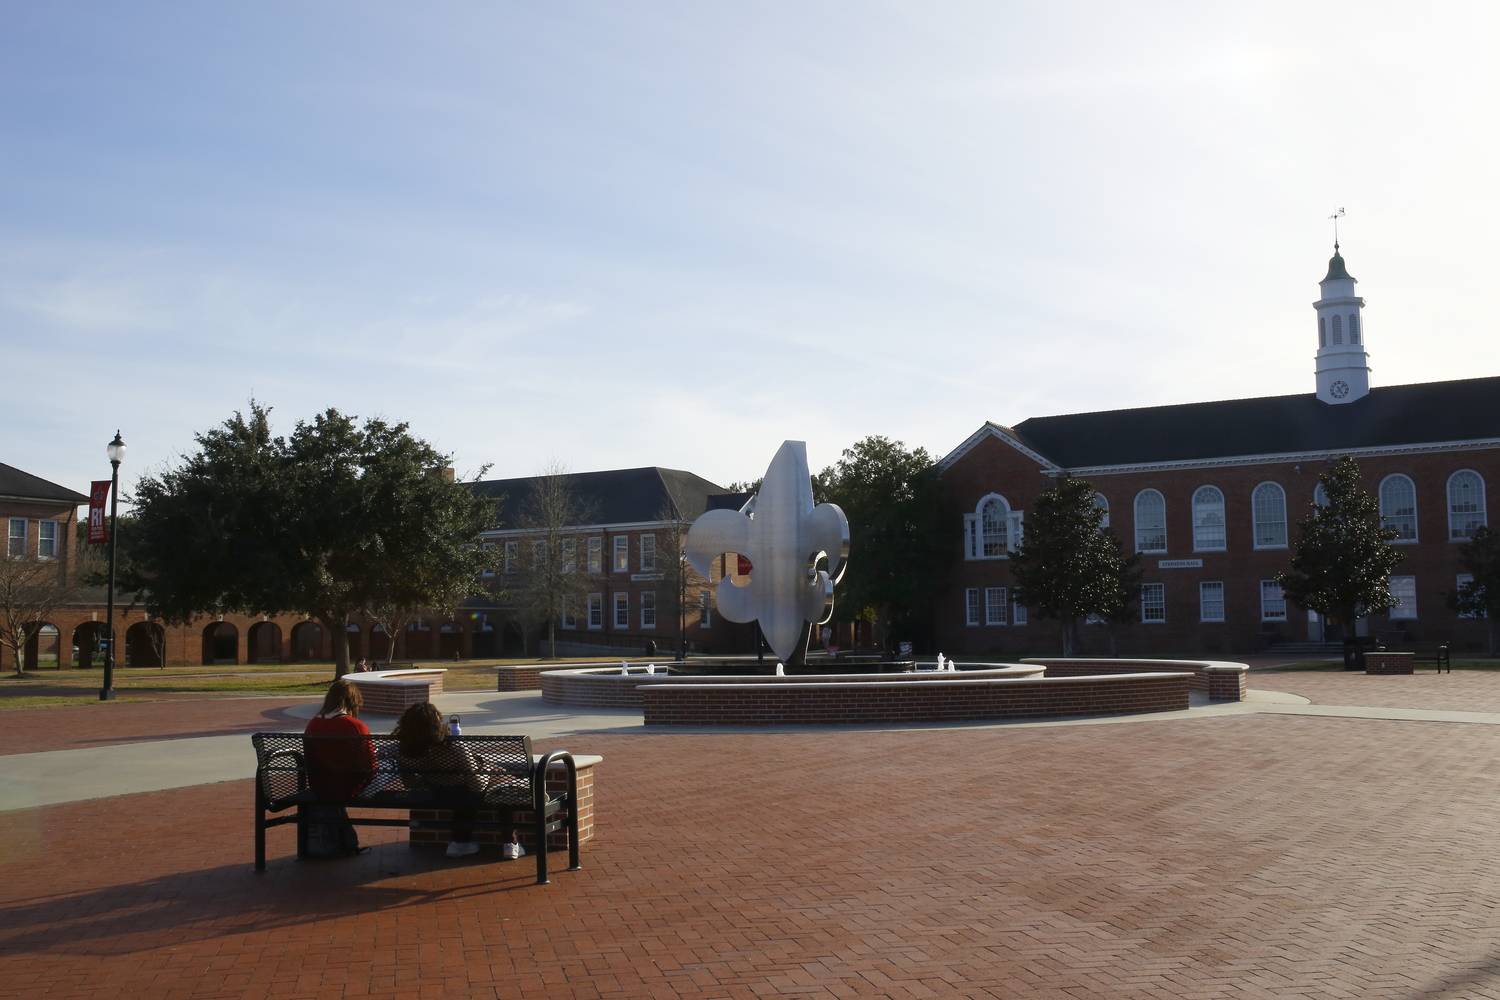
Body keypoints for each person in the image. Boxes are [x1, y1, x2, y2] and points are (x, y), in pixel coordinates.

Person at [392, 702, 522, 859]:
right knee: (503, 786)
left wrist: (428, 776)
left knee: (468, 791)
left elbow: (409, 784)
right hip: (467, 793)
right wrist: (487, 770)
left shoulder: (404, 751)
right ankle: (510, 844)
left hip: (439, 793)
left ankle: (459, 843)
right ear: (436, 722)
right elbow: (477, 787)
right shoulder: (453, 746)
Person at [302, 679, 377, 857]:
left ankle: (344, 840)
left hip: (320, 786)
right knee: (392, 763)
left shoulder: (312, 724)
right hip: (348, 788)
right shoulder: (355, 726)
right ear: (352, 701)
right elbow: (371, 768)